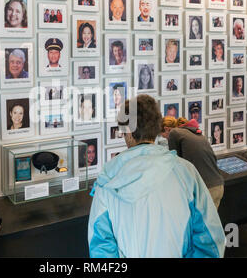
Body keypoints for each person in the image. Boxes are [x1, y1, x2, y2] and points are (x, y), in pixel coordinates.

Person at [88, 95, 225, 257]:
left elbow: (101, 244)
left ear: (128, 132)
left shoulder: (107, 179)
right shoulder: (186, 172)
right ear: (156, 127)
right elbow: (210, 239)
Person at [161, 116, 225, 209]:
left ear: (167, 129)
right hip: (217, 186)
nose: (167, 140)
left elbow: (174, 163)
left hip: (205, 189)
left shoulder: (174, 133)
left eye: (165, 137)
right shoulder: (195, 133)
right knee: (209, 223)